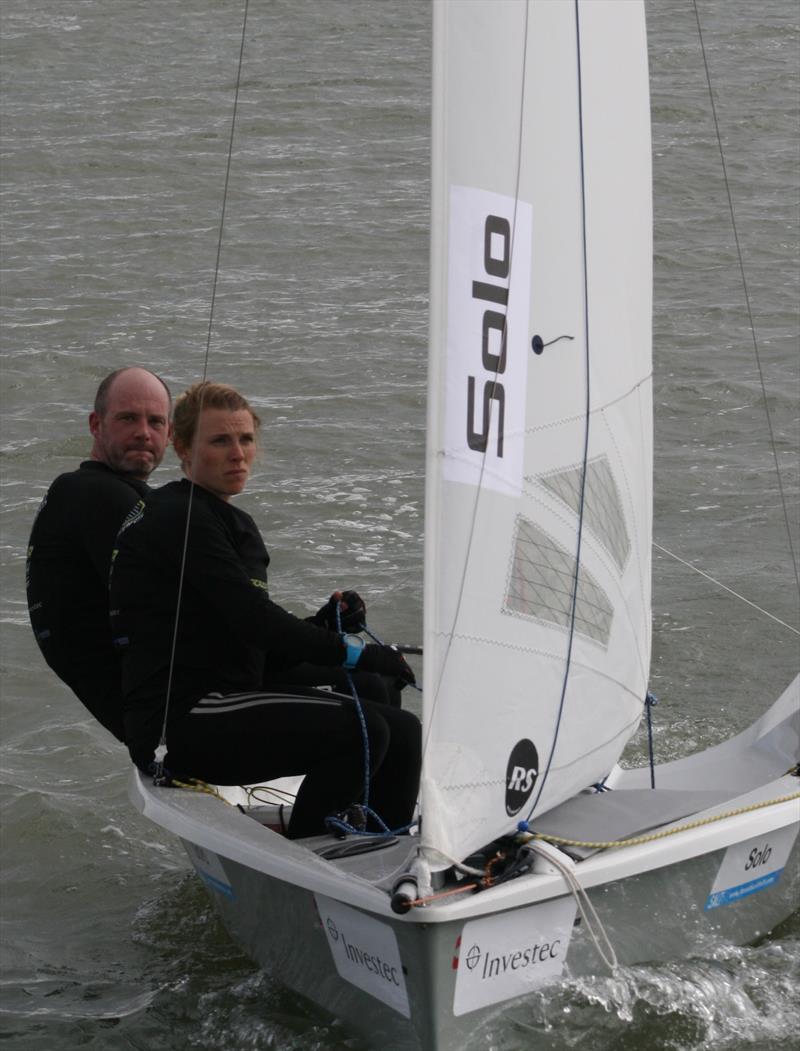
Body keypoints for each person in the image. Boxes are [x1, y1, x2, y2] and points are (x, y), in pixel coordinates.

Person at [109, 381, 421, 839]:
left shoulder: (223, 518)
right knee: (367, 730)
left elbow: (252, 639)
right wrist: (357, 651)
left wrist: (328, 624)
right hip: (180, 721)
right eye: (220, 441)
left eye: (246, 439)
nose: (237, 453)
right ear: (183, 447)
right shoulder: (181, 516)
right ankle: (315, 861)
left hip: (228, 693)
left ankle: (381, 846)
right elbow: (256, 619)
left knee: (401, 725)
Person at [26, 367, 172, 741]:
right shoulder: (98, 495)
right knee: (341, 681)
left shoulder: (79, 491)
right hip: (168, 716)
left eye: (156, 421)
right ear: (96, 424)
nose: (144, 432)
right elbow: (201, 604)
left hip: (148, 707)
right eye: (128, 418)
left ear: (170, 434)